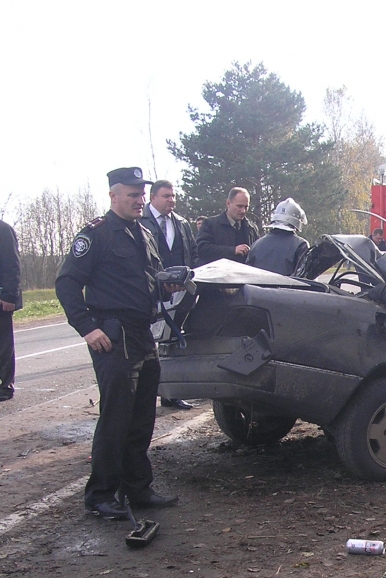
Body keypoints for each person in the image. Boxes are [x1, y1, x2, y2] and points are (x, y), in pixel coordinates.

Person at [55, 167, 180, 521]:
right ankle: (101, 495)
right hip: (113, 335)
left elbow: (146, 281)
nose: (139, 200)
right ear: (113, 196)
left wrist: (167, 287)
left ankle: (138, 489)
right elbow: (66, 283)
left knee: (142, 417)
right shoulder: (97, 235)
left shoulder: (144, 232)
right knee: (116, 417)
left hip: (143, 333)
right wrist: (87, 328)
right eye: (131, 194)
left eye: (141, 194)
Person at [140, 179, 198, 410]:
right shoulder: (140, 223)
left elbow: (192, 252)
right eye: (166, 196)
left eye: (173, 196)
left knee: (172, 339)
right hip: (152, 292)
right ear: (153, 197)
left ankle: (171, 392)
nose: (171, 200)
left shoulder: (181, 223)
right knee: (152, 342)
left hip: (179, 290)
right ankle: (148, 393)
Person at [196, 187, 259, 265]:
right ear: (228, 203)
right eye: (239, 206)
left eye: (246, 207)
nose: (243, 211)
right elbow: (202, 250)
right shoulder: (210, 224)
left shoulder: (252, 229)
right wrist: (232, 251)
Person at [246, 198, 309, 276]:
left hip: (256, 288)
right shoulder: (300, 245)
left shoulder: (256, 244)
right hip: (286, 288)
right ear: (298, 221)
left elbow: (248, 275)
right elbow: (304, 278)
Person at [0, 219, 22, 401]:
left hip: (1, 298)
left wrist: (9, 296)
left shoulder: (3, 230)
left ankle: (5, 385)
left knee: (3, 344)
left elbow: (12, 264)